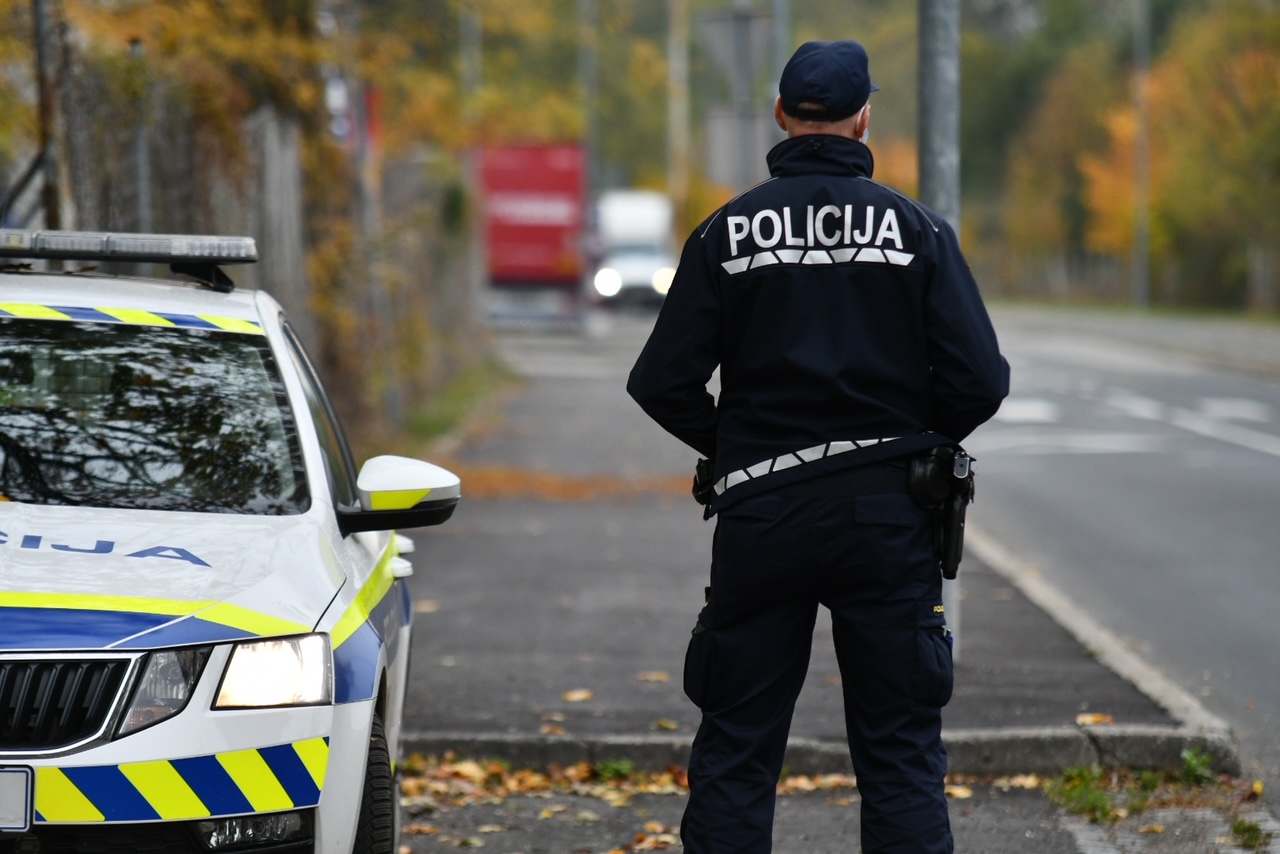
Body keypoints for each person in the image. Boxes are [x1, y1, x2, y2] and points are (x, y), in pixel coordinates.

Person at [626, 39, 1009, 854]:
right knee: (902, 757)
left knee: (736, 751)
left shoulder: (727, 234)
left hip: (761, 516)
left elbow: (660, 381)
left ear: (780, 117)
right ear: (864, 119)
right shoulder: (918, 232)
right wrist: (916, 438)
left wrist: (736, 445)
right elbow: (981, 380)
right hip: (889, 519)